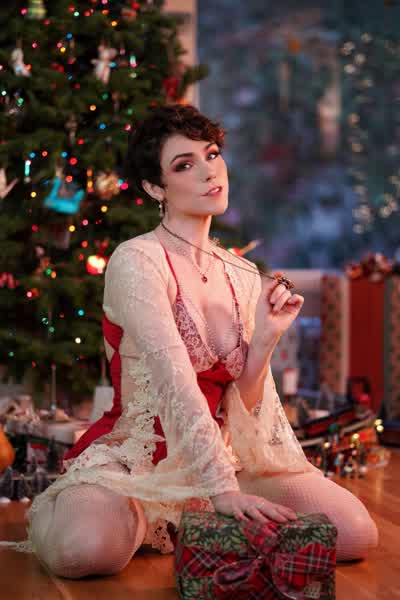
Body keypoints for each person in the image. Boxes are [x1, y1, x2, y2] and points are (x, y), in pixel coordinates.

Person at [0, 104, 378, 578]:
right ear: (154, 188)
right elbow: (174, 378)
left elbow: (243, 405)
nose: (208, 171)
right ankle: (140, 516)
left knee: (356, 533)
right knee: (83, 551)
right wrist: (222, 491)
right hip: (139, 460)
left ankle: (192, 523)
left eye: (212, 154)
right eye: (184, 164)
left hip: (225, 459)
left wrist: (265, 341)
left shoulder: (242, 273)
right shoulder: (137, 260)